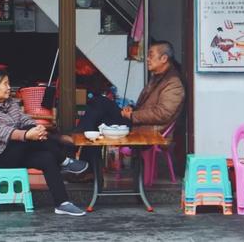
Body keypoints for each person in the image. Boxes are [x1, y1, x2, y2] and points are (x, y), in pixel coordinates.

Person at [0, 69, 88, 216]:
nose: (9, 87)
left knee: (47, 157)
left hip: (17, 150)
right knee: (29, 132)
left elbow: (24, 119)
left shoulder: (11, 103)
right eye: (5, 84)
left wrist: (37, 128)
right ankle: (65, 161)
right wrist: (28, 134)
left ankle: (62, 203)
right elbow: (0, 131)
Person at [75, 40, 185, 175]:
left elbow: (163, 113)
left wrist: (133, 115)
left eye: (151, 55)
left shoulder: (173, 83)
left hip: (148, 129)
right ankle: (88, 168)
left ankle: (79, 153)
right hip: (138, 122)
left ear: (164, 58)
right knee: (98, 110)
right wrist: (131, 109)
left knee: (100, 104)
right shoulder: (158, 78)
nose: (147, 59)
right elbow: (147, 107)